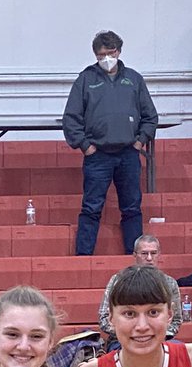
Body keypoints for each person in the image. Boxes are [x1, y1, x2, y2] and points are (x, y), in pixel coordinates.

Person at [62, 29, 158, 257]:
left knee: (132, 208)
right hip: (98, 156)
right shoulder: (85, 80)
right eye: (101, 54)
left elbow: (150, 117)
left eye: (111, 53)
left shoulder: (134, 79)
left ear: (119, 51)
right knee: (91, 208)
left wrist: (139, 142)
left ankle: (137, 260)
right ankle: (83, 257)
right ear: (95, 55)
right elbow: (71, 118)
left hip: (128, 154)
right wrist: (85, 146)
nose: (106, 58)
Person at [98, 235, 182, 344]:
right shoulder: (117, 280)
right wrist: (129, 332)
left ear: (159, 254)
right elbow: (104, 318)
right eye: (144, 253)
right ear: (135, 255)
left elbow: (176, 320)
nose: (149, 258)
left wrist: (154, 335)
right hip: (122, 340)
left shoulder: (170, 283)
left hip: (161, 339)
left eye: (153, 253)